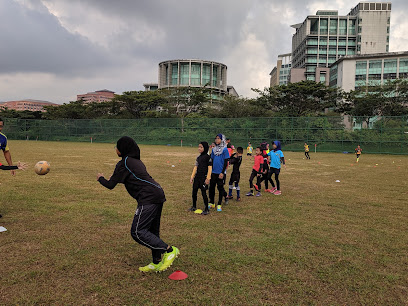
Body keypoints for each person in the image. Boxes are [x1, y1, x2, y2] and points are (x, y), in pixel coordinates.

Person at [97, 136, 179, 273]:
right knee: (152, 231)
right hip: (157, 193)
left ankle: (169, 250)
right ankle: (156, 262)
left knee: (137, 231)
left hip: (149, 197)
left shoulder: (124, 163)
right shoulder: (136, 161)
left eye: (117, 146)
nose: (115, 149)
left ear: (122, 149)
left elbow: (110, 185)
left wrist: (100, 178)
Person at [189, 142, 212, 215]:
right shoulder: (198, 157)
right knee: (194, 192)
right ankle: (194, 206)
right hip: (197, 177)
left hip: (203, 177)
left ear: (205, 148)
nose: (199, 148)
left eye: (201, 147)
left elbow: (210, 169)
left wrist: (208, 178)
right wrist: (192, 177)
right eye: (199, 147)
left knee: (203, 193)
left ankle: (206, 209)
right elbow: (195, 167)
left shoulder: (208, 158)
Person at [209, 134, 230, 212]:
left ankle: (219, 204)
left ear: (222, 139)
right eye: (216, 138)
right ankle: (211, 202)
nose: (217, 140)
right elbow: (211, 160)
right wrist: (210, 170)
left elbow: (226, 162)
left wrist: (222, 172)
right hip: (213, 172)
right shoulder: (214, 150)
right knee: (211, 187)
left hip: (220, 173)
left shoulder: (225, 149)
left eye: (218, 138)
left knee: (220, 188)